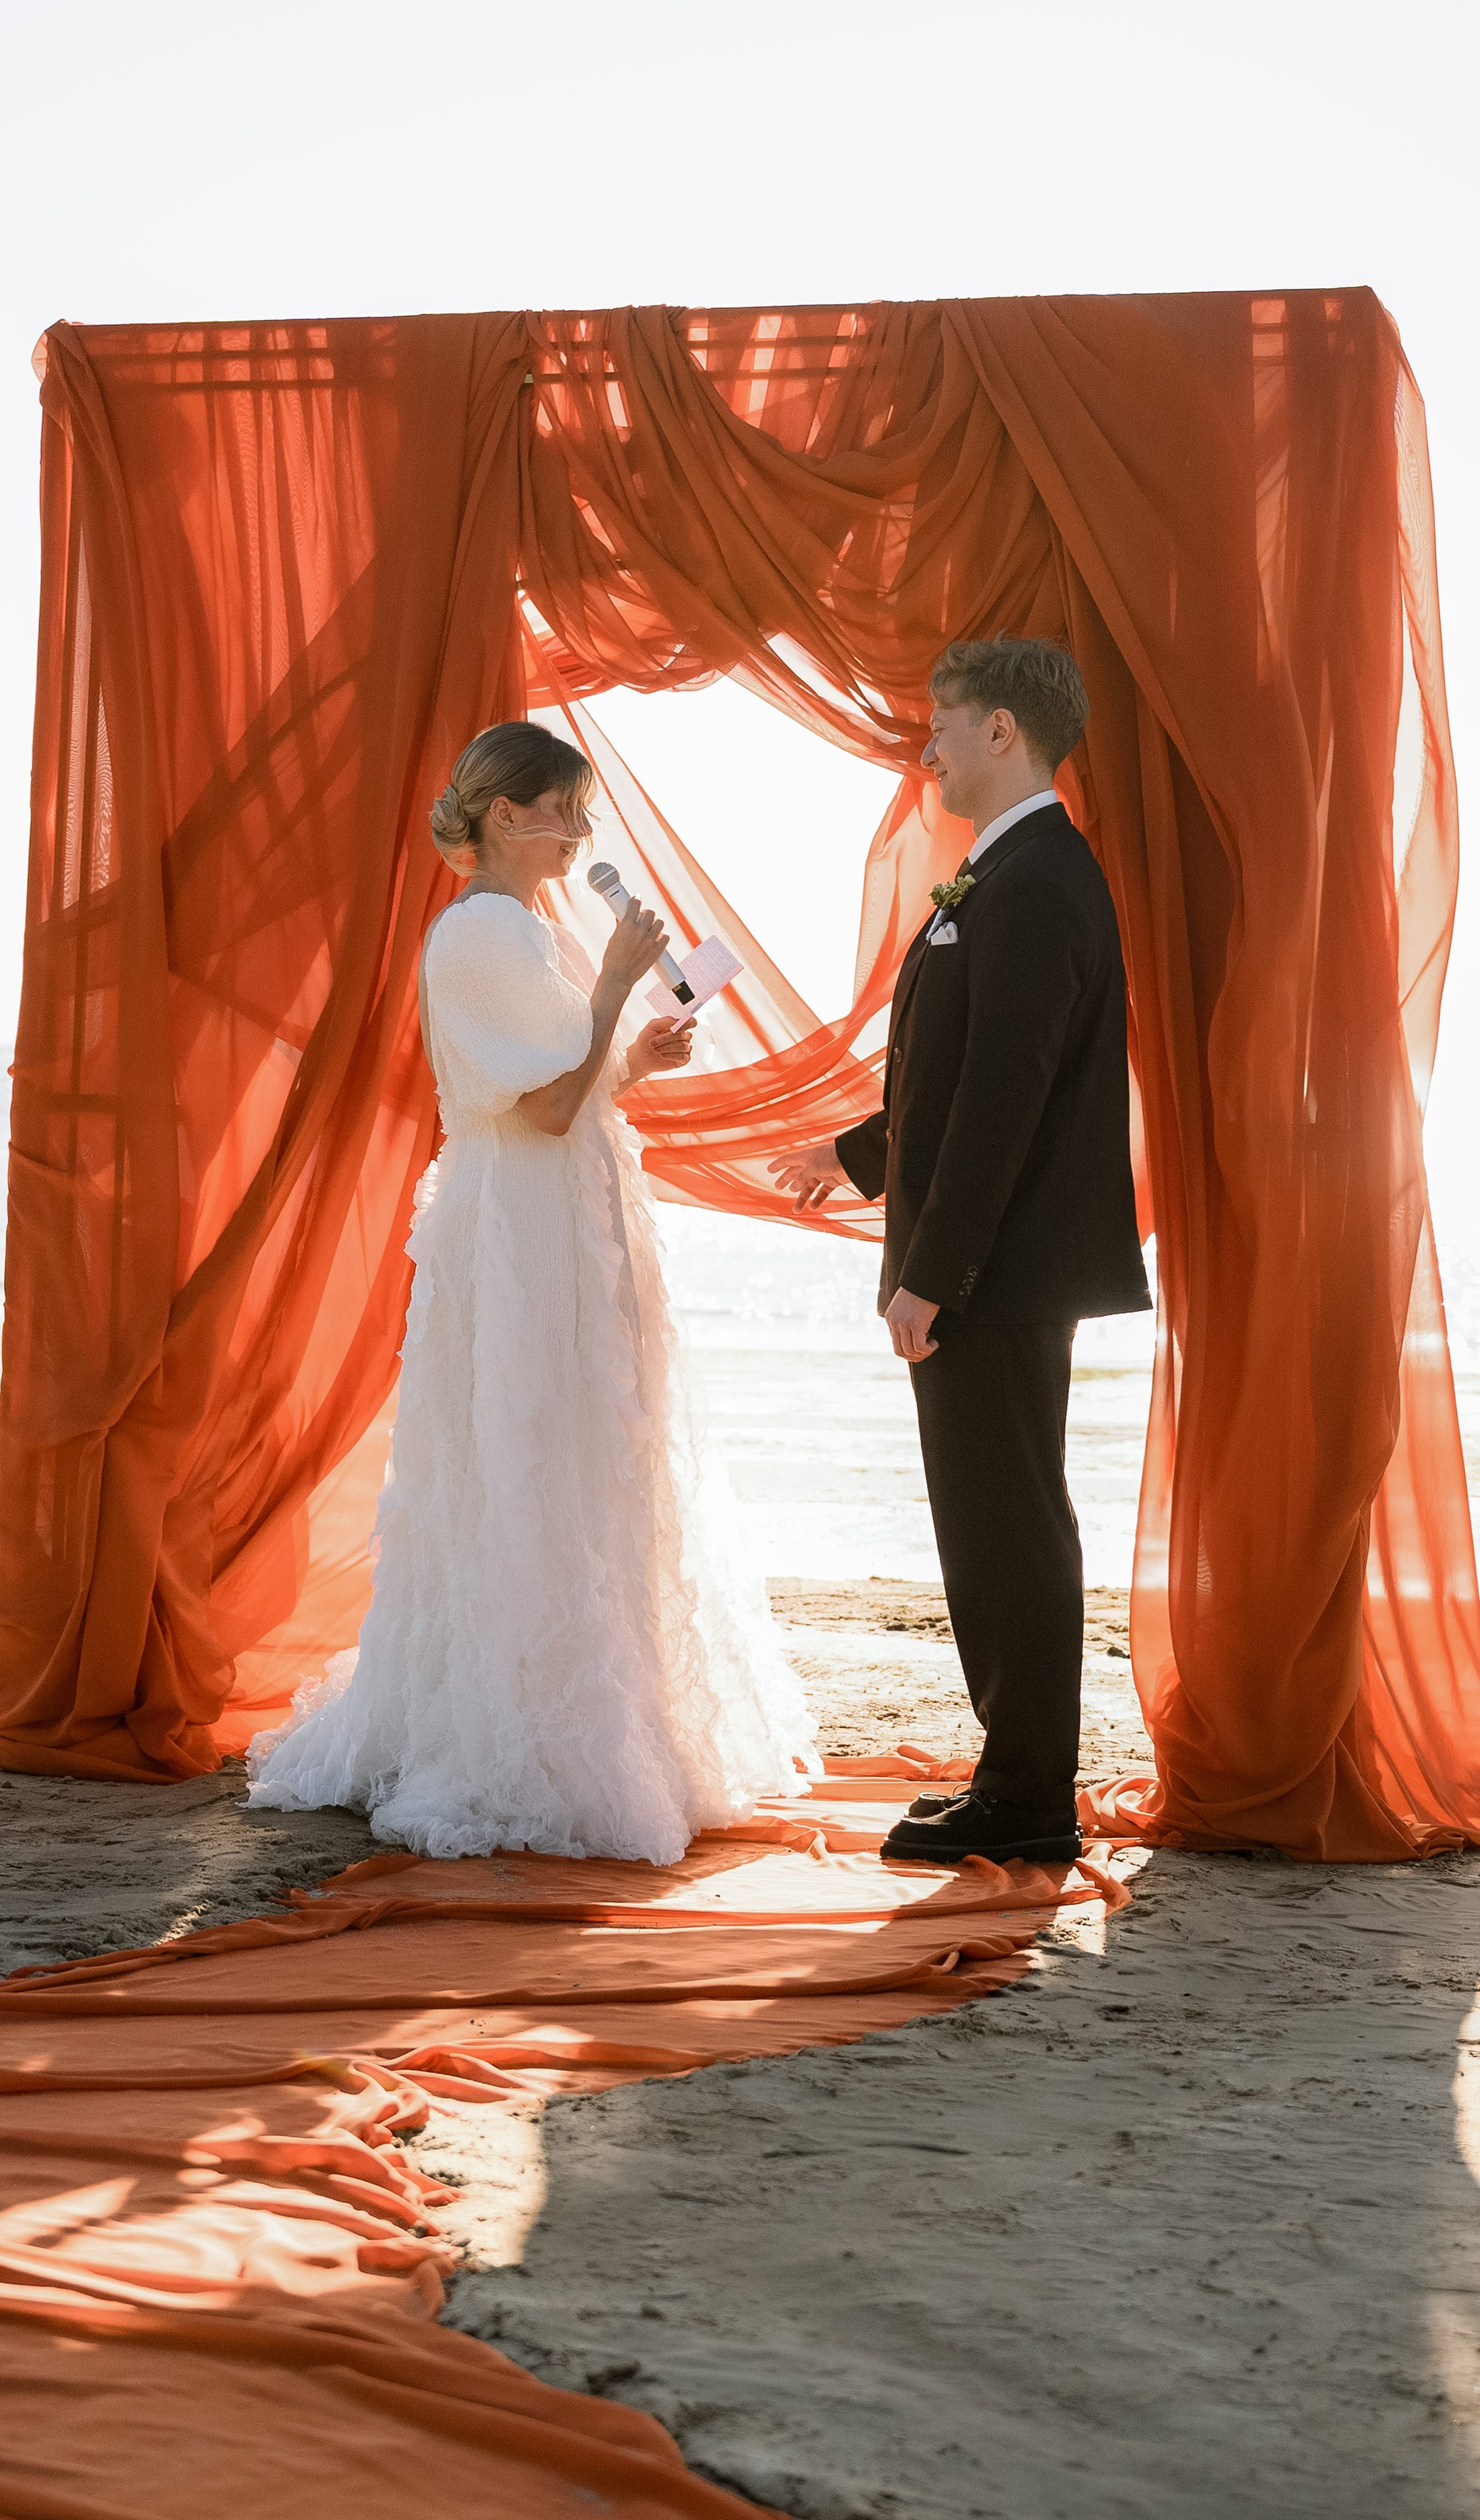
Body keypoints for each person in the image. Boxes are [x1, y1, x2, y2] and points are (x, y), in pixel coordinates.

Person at [246, 721, 818, 1860]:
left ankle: (604, 1709)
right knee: (521, 1456)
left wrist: (629, 1056)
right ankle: (517, 1730)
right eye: (565, 807)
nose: (580, 831)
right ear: (509, 814)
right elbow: (545, 1109)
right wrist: (610, 994)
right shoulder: (478, 937)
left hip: (563, 1218)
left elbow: (573, 1086)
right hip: (516, 1228)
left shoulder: (528, 931)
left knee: (588, 1453)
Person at [772, 637, 1150, 1866]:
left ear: (1004, 732)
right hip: (1000, 1266)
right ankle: (1015, 1775)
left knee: (1008, 1525)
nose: (925, 744)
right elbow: (957, 1075)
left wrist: (934, 1274)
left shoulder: (1037, 882)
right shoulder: (1008, 871)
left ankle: (1030, 1800)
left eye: (942, 722)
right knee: (995, 1520)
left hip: (998, 1272)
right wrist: (859, 1153)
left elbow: (1005, 1099)